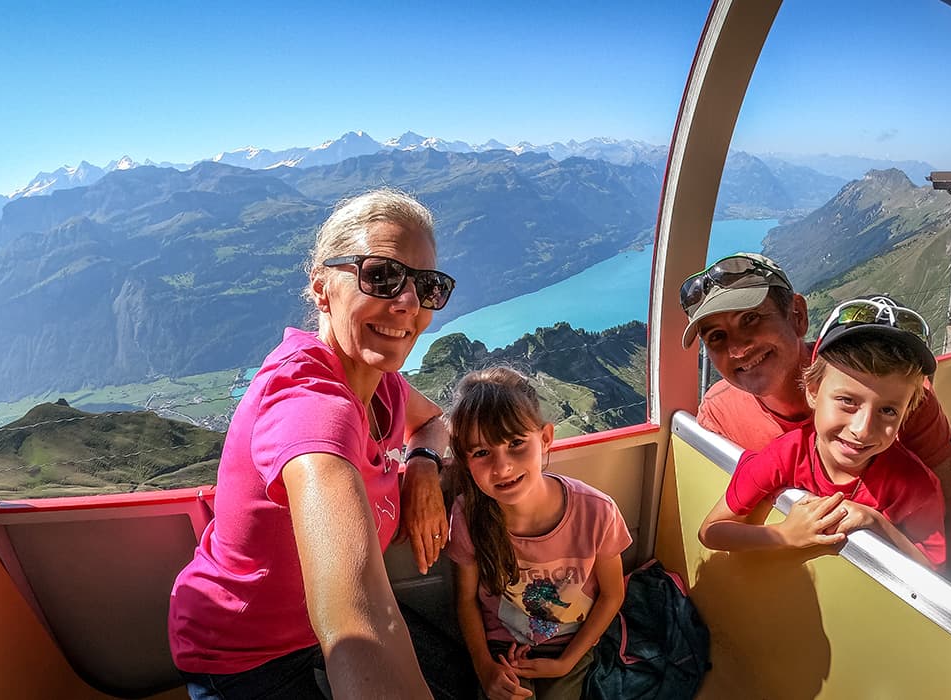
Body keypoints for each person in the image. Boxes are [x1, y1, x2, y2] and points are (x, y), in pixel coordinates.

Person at [168, 188, 456, 699]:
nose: (409, 301)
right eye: (381, 275)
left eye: (428, 286)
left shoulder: (380, 379)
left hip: (307, 634)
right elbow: (357, 611)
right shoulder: (307, 403)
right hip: (245, 652)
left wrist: (425, 468)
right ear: (322, 289)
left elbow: (433, 421)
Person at [680, 252, 951, 653]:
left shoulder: (897, 393)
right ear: (815, 393)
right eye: (717, 338)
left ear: (797, 315)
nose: (739, 349)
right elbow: (718, 526)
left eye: (752, 320)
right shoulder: (718, 416)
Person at [698, 296, 946, 570]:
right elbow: (711, 531)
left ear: (907, 412)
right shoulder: (785, 454)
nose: (862, 430)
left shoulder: (916, 487)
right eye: (848, 401)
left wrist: (876, 523)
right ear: (813, 392)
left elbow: (932, 573)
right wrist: (785, 534)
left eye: (888, 411)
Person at [445, 367, 631, 700]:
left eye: (516, 443)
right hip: (501, 648)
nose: (502, 468)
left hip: (571, 646)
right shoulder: (467, 517)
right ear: (465, 459)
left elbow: (612, 595)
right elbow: (466, 601)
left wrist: (565, 663)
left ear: (545, 438)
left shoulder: (597, 512)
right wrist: (485, 667)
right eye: (481, 452)